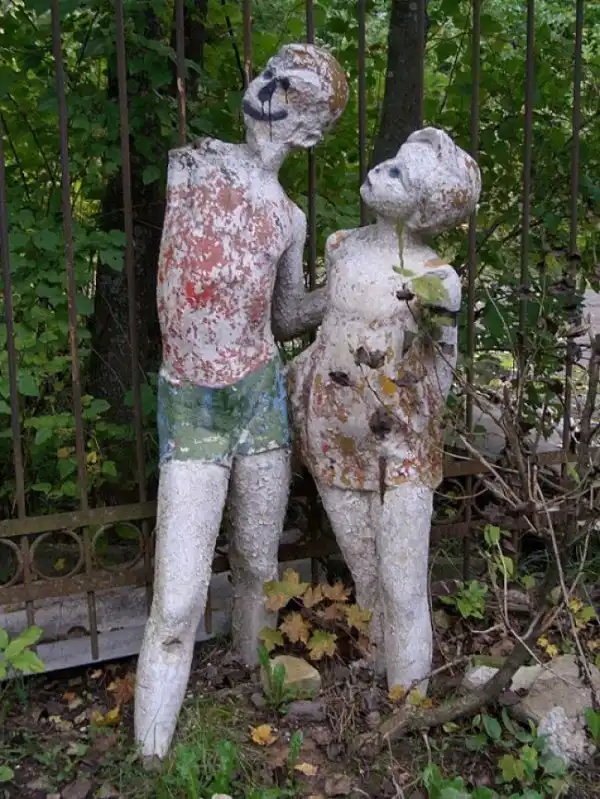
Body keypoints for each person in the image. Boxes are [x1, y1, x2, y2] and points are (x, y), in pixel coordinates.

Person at [134, 43, 348, 761]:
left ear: (310, 131)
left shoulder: (290, 218)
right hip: (192, 405)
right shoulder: (193, 163)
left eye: (294, 91)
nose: (270, 90)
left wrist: (345, 287)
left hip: (259, 402)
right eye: (271, 74)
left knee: (257, 560)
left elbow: (284, 318)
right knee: (177, 600)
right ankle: (152, 759)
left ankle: (247, 672)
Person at [289, 128, 481, 690]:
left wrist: (416, 423)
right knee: (364, 564)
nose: (380, 172)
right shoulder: (341, 246)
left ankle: (412, 698)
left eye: (399, 175)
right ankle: (381, 667)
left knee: (402, 578)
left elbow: (444, 362)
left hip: (403, 442)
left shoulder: (437, 279)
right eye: (389, 162)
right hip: (333, 427)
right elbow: (327, 321)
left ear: (425, 207)